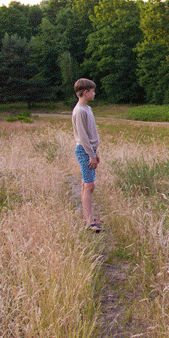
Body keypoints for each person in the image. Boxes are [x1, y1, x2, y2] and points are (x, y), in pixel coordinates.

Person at [72, 78, 101, 232]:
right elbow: (83, 138)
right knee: (89, 185)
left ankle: (88, 217)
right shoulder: (79, 111)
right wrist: (91, 155)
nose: (94, 94)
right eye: (92, 91)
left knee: (87, 184)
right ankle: (89, 222)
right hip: (84, 151)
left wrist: (95, 152)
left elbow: (91, 134)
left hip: (90, 151)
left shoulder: (87, 109)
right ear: (85, 92)